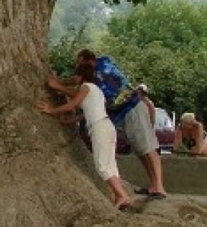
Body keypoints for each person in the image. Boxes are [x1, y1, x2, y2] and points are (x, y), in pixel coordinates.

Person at [55, 49, 166, 200]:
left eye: (81, 64)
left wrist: (59, 85)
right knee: (140, 149)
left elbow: (80, 90)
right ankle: (153, 185)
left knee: (148, 147)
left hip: (131, 107)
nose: (80, 67)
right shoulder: (96, 75)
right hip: (119, 113)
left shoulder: (102, 70)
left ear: (89, 61)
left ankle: (159, 187)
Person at [42, 64, 132, 210]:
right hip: (106, 126)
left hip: (99, 128)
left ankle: (122, 195)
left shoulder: (86, 87)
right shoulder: (96, 91)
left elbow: (72, 104)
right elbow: (85, 112)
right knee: (110, 164)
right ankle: (119, 196)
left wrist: (51, 109)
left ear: (80, 76)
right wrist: (69, 120)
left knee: (102, 165)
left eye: (75, 76)